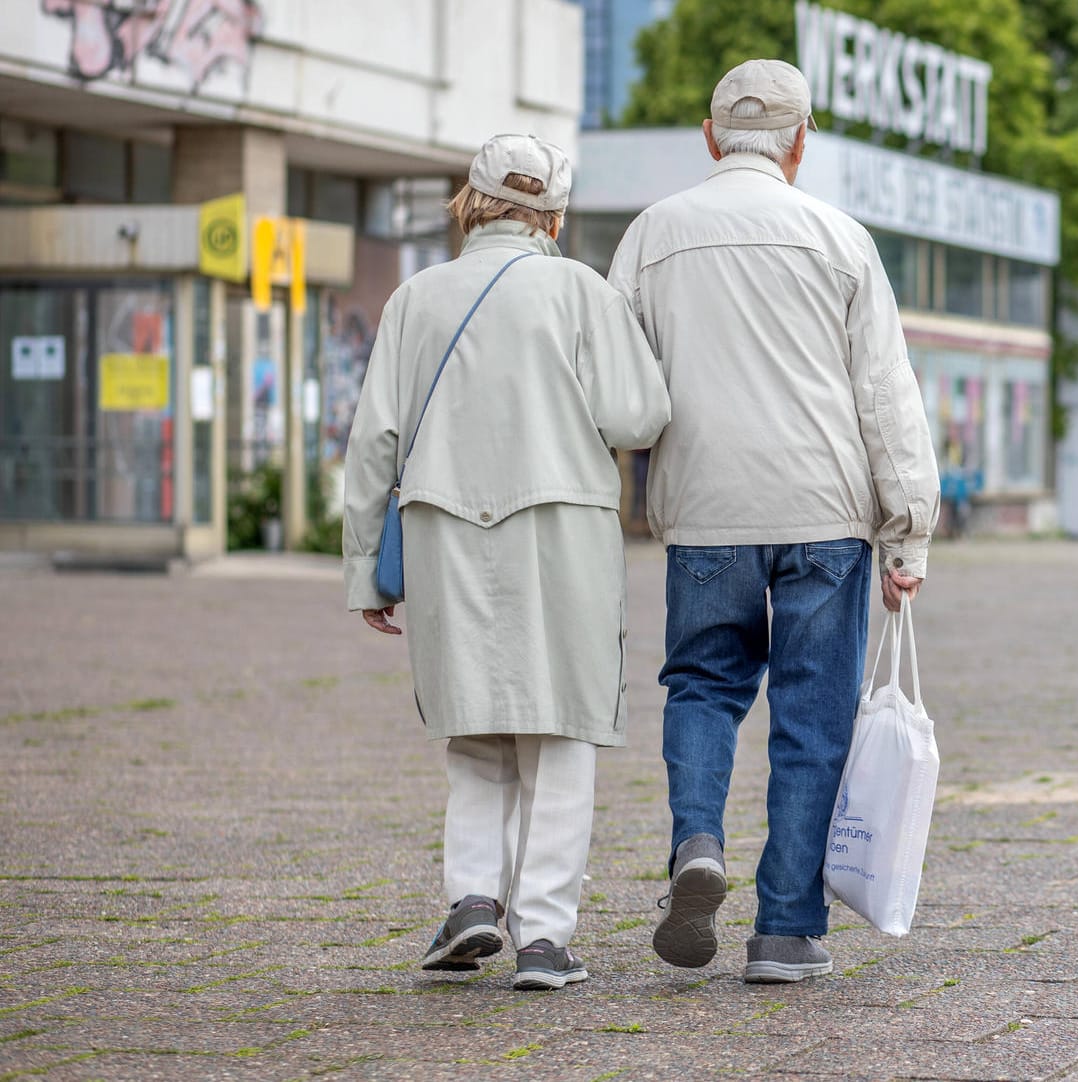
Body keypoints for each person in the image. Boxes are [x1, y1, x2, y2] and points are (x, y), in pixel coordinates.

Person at [606, 59, 940, 985]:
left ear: (711, 137)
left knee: (705, 685)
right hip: (825, 512)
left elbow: (616, 381)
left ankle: (698, 842)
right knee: (812, 714)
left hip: (707, 506)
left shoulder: (651, 235)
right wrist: (907, 529)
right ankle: (786, 930)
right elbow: (885, 393)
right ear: (801, 141)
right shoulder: (840, 237)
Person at [342, 134, 669, 991]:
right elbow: (638, 415)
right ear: (553, 213)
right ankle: (545, 940)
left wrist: (364, 573)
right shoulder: (579, 291)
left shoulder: (414, 299)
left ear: (472, 200)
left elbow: (374, 442)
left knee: (477, 728)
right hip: (560, 526)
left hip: (445, 528)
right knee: (562, 731)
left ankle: (472, 903)